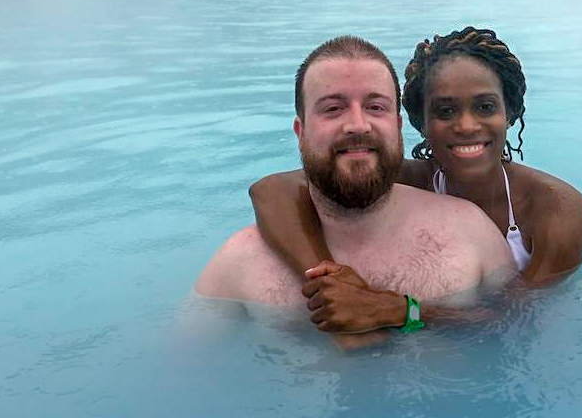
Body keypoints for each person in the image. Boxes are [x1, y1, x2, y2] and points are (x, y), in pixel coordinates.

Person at [249, 27, 582, 335]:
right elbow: (272, 190)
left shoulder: (556, 209)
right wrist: (330, 283)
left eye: (485, 107)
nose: (467, 125)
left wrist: (398, 310)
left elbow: (521, 321)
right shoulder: (409, 179)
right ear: (418, 123)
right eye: (445, 112)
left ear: (510, 111)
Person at [195, 36, 518, 334]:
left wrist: (407, 314)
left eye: (375, 107)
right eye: (333, 109)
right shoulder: (240, 264)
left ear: (397, 124)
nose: (357, 124)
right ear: (300, 132)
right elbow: (189, 371)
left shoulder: (469, 230)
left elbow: (512, 327)